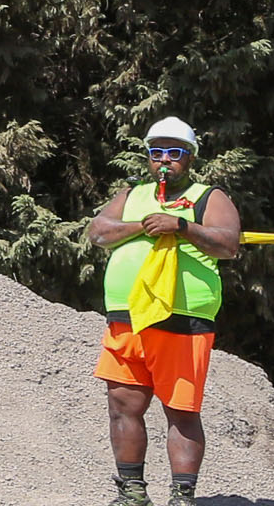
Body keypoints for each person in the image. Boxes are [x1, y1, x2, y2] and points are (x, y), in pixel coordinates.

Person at [88, 117, 244, 506]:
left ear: (190, 157)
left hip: (182, 320)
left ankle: (182, 497)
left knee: (181, 410)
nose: (164, 160)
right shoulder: (132, 195)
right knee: (123, 407)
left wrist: (181, 226)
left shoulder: (208, 197)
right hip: (126, 317)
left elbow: (228, 244)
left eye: (174, 152)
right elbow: (99, 232)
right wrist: (144, 226)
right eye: (156, 152)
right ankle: (132, 494)